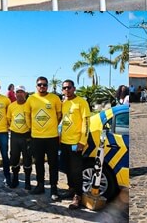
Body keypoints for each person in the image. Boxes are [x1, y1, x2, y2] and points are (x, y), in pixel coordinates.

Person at [27, 75, 62, 200]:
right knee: (39, 163)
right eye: (40, 84)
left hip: (52, 137)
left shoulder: (55, 98)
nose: (42, 86)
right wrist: (32, 128)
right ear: (36, 86)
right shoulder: (31, 99)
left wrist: (52, 126)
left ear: (47, 86)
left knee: (53, 164)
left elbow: (59, 115)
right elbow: (28, 116)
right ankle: (40, 185)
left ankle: (54, 188)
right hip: (36, 137)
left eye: (44, 84)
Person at [60, 79, 90, 209]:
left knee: (76, 171)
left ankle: (78, 195)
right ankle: (71, 189)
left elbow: (86, 122)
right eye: (65, 88)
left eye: (69, 87)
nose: (67, 90)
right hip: (64, 142)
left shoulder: (81, 102)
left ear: (74, 88)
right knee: (67, 169)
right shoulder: (64, 103)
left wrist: (82, 141)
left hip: (76, 143)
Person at [8, 84, 32, 190]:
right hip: (14, 135)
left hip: (26, 135)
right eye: (17, 92)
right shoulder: (11, 106)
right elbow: (9, 119)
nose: (19, 94)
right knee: (14, 158)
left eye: (22, 92)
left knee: (27, 158)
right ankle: (15, 179)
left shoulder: (29, 105)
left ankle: (27, 181)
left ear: (25, 93)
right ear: (15, 94)